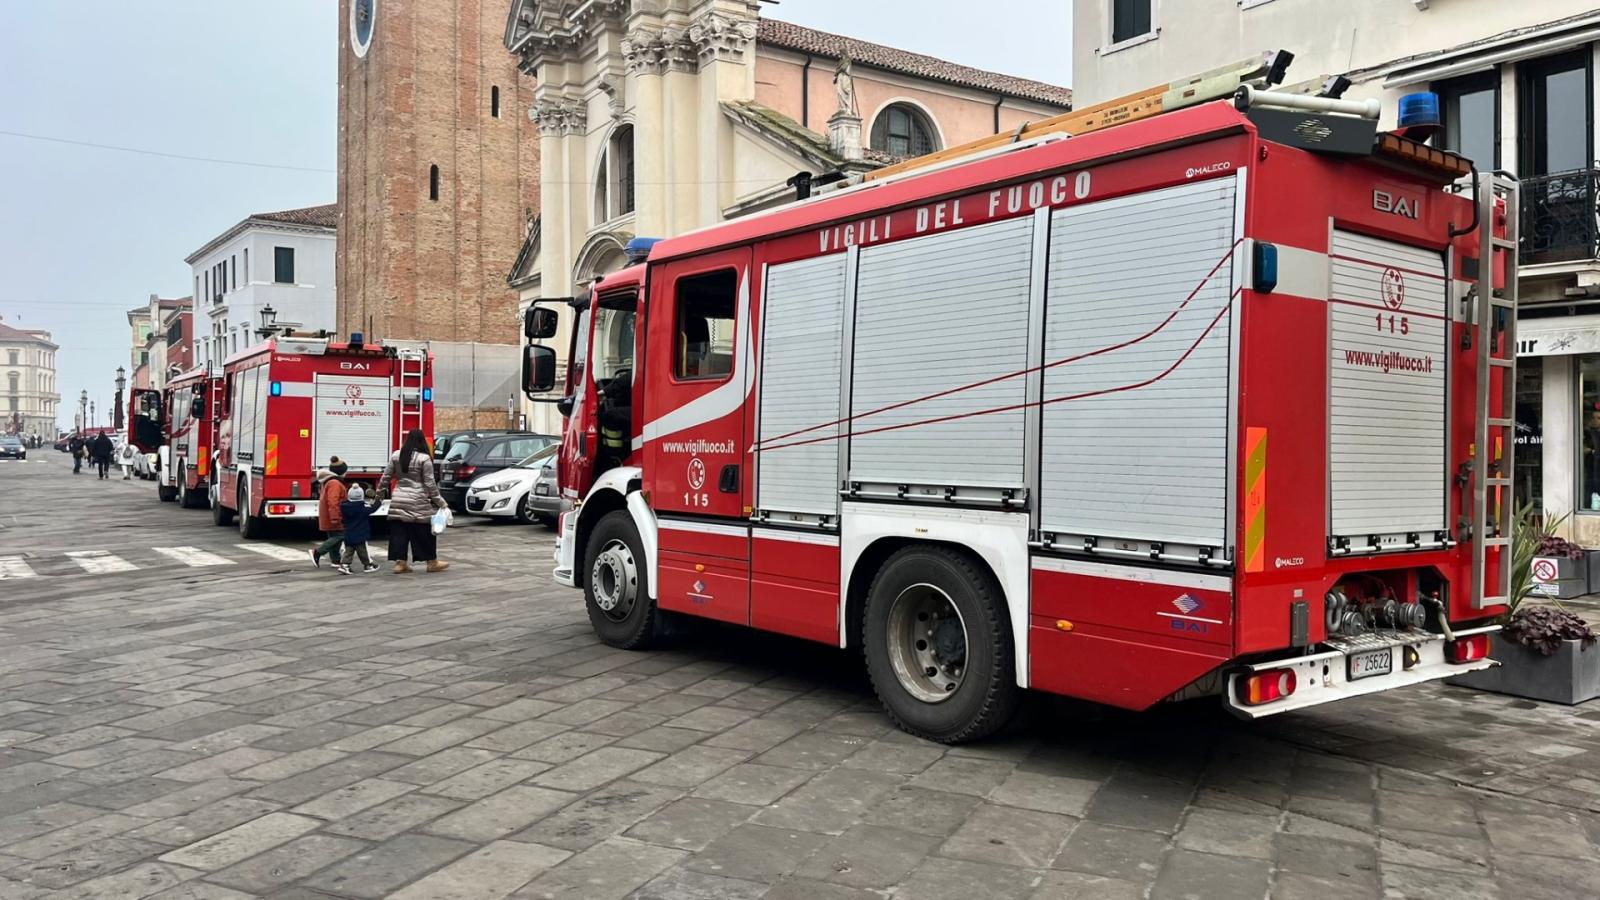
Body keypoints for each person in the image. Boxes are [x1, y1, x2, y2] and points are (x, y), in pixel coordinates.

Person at [382, 429, 449, 573]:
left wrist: (378, 494)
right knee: (424, 532)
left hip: (398, 498)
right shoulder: (424, 459)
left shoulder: (396, 455)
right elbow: (430, 484)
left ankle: (400, 563)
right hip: (418, 500)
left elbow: (386, 477)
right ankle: (431, 562)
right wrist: (441, 503)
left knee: (399, 532)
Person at [308, 457, 350, 567]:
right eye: (345, 471)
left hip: (329, 514)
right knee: (340, 536)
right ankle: (317, 552)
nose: (346, 473)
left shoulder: (328, 481)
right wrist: (335, 517)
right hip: (333, 514)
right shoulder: (335, 483)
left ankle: (335, 560)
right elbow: (333, 501)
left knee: (334, 536)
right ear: (341, 472)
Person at [336, 484, 380, 574]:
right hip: (360, 534)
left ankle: (345, 565)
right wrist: (378, 500)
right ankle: (368, 565)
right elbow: (373, 508)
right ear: (362, 496)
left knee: (348, 550)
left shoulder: (343, 507)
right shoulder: (362, 508)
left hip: (348, 533)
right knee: (363, 551)